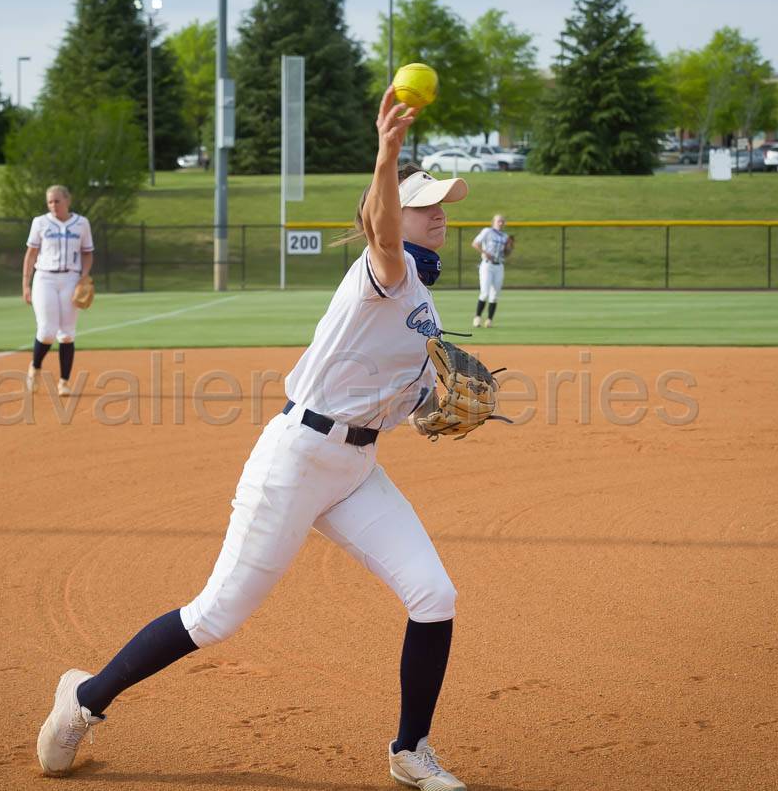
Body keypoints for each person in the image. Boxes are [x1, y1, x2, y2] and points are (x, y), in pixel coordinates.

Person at [35, 86, 472, 791]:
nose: (442, 215)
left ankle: (409, 748)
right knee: (215, 615)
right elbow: (386, 233)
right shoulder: (383, 274)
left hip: (356, 467)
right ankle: (85, 699)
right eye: (428, 203)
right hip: (296, 460)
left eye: (445, 204)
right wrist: (387, 154)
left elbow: (405, 407)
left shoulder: (423, 306)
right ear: (391, 211)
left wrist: (433, 411)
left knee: (434, 594)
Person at [21, 186, 94, 397]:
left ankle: (64, 382)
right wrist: (26, 284)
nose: (53, 205)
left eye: (57, 201)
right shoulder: (40, 223)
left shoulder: (81, 223)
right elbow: (31, 255)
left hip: (71, 278)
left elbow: (87, 253)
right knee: (46, 331)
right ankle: (35, 367)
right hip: (45, 278)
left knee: (67, 333)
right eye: (50, 202)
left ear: (67, 200)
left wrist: (84, 276)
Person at [470, 214, 513, 328]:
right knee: (484, 293)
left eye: (502, 221)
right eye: (499, 221)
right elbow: (475, 243)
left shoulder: (505, 236)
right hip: (487, 266)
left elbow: (506, 254)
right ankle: (477, 318)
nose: (501, 223)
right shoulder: (487, 231)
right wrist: (484, 252)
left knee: (494, 295)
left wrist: (509, 246)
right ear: (493, 222)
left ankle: (489, 320)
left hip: (499, 266)